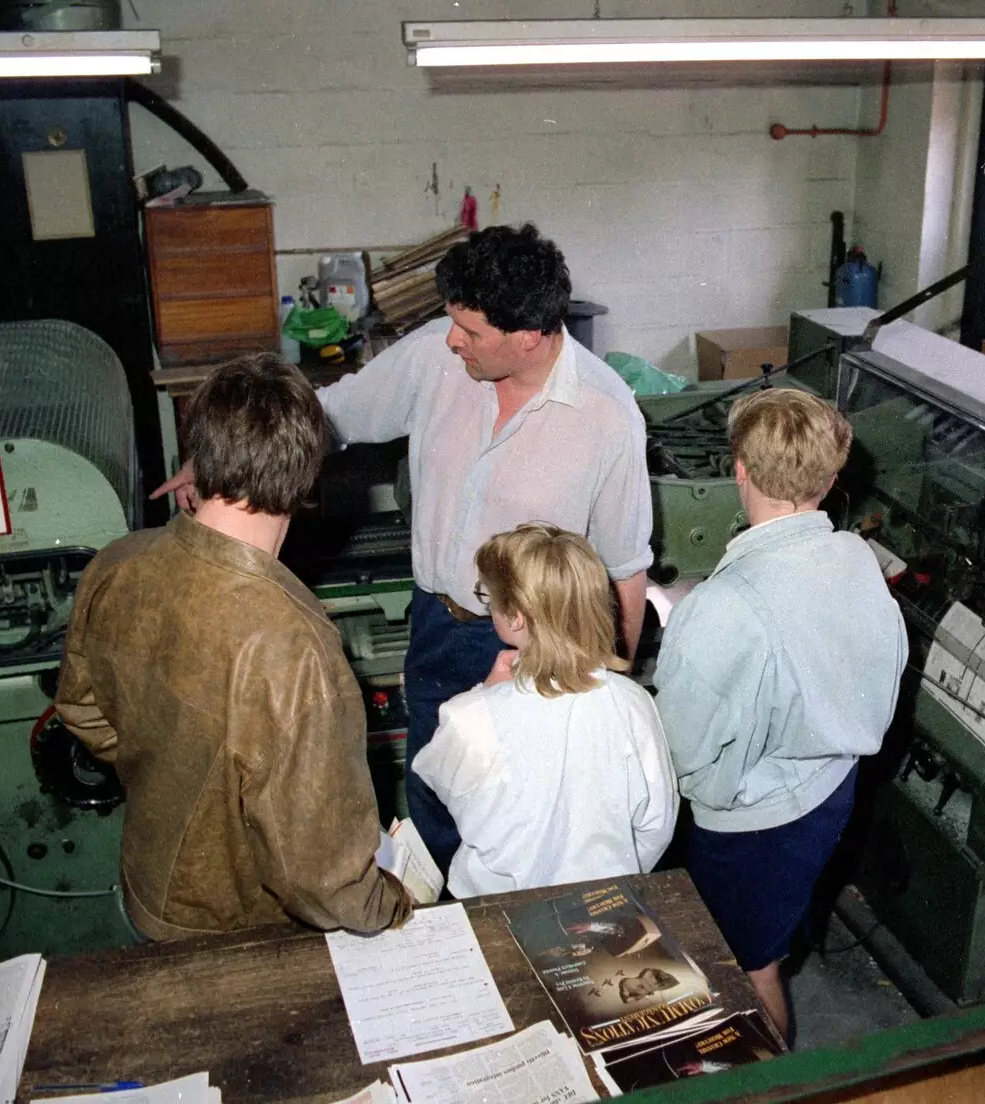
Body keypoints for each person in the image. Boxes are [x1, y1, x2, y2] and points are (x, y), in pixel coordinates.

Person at [153, 224, 652, 871]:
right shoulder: (434, 359)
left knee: (518, 823)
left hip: (536, 648)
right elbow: (327, 414)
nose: (452, 341)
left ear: (529, 335)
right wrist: (223, 465)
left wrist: (613, 685)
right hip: (435, 625)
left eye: (470, 332)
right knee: (431, 795)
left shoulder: (607, 417)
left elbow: (624, 567)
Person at [57, 354, 412, 941]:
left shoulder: (117, 563)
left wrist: (165, 769)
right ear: (306, 478)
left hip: (146, 886)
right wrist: (392, 904)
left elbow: (82, 707)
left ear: (199, 454)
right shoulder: (294, 643)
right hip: (238, 928)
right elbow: (319, 872)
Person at [652, 387, 907, 1041]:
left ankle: (760, 1084)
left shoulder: (718, 609)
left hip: (752, 827)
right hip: (829, 790)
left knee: (743, 970)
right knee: (766, 941)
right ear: (830, 475)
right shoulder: (856, 557)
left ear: (739, 471)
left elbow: (684, 753)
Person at [411, 524, 677, 898]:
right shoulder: (633, 703)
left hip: (496, 907)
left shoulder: (471, 717)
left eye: (488, 595)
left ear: (516, 616)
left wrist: (484, 694)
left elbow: (437, 787)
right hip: (606, 901)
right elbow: (655, 826)